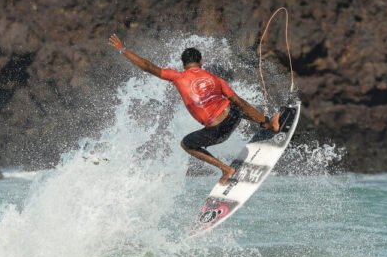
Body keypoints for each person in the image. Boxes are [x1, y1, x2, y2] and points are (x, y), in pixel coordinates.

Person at [108, 33, 280, 185]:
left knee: (186, 144)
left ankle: (225, 169)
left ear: (183, 65)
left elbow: (148, 66)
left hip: (216, 131)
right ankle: (269, 124)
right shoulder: (216, 79)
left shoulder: (177, 77)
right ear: (201, 62)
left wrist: (123, 49)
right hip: (233, 117)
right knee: (236, 105)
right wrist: (263, 121)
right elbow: (241, 103)